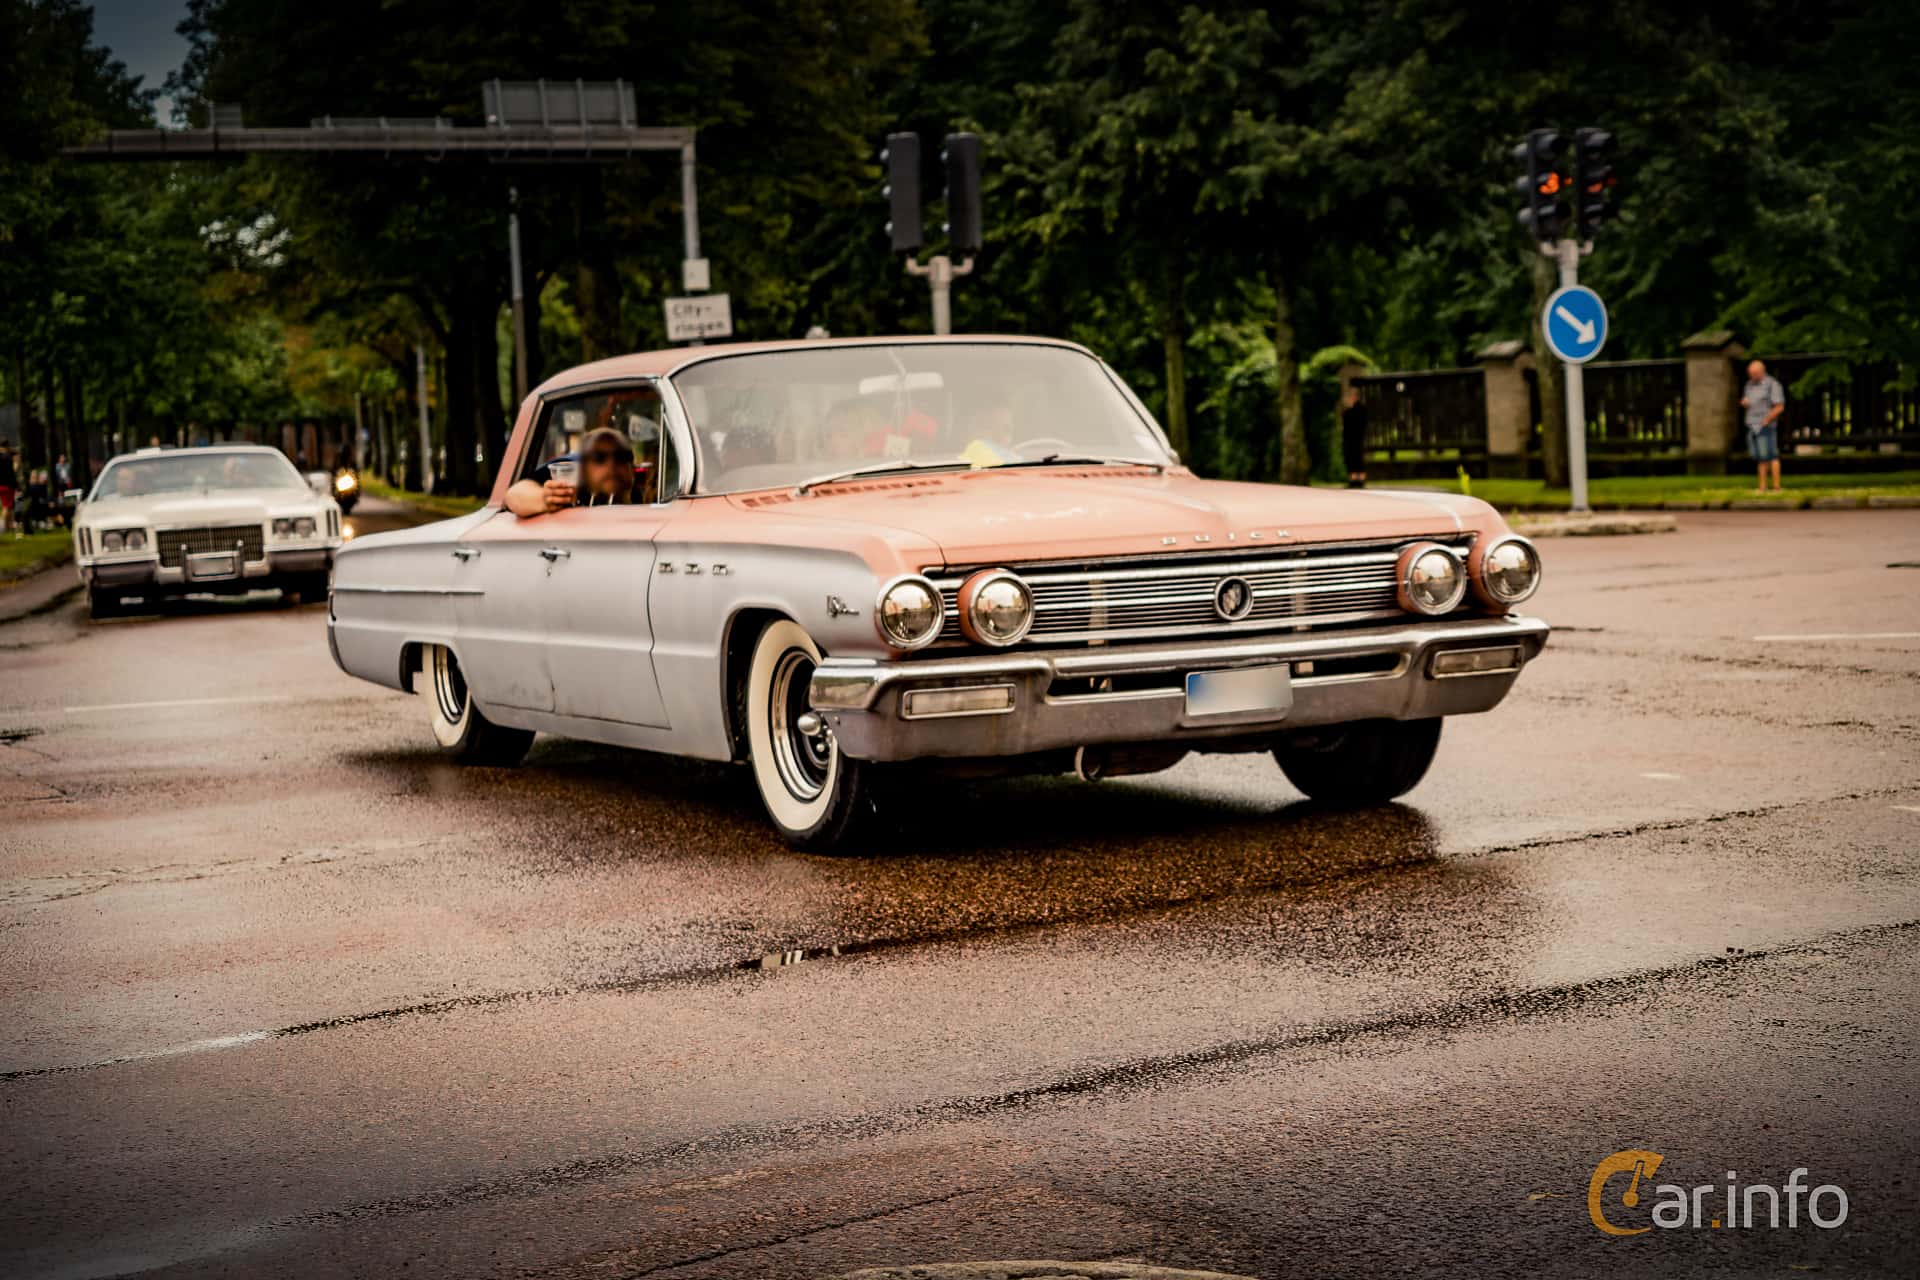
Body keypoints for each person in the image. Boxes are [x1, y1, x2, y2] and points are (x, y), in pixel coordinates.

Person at [505, 426, 639, 516]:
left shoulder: (644, 495)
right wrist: (545, 498)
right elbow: (514, 494)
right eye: (599, 457)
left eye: (621, 457)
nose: (611, 464)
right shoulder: (569, 481)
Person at [1739, 359, 1787, 494]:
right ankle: (1762, 487)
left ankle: (1776, 486)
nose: (1752, 376)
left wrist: (1766, 420)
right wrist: (1745, 403)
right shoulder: (1749, 385)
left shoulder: (1772, 385)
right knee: (1760, 457)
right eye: (1750, 374)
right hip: (1752, 425)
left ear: (1762, 371)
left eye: (1754, 373)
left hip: (1765, 425)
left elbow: (1779, 406)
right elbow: (1749, 401)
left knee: (1771, 455)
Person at [1341, 384, 1370, 488]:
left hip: (1355, 438)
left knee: (1356, 457)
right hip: (1354, 439)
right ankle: (1355, 479)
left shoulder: (1354, 411)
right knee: (1354, 458)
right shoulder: (1354, 411)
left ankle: (1357, 479)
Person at [0, 442, 17, 536]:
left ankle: (8, 528)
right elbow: (14, 469)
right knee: (7, 507)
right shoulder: (8, 458)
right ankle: (3, 528)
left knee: (8, 507)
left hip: (1, 485)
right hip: (8, 486)